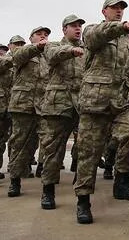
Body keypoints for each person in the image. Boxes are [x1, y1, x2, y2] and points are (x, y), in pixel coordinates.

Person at [73, 0, 129, 224]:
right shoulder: (92, 30)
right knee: (89, 153)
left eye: (121, 8)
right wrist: (121, 27)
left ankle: (122, 178)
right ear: (104, 11)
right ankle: (83, 200)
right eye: (114, 8)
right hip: (95, 102)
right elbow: (94, 38)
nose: (119, 11)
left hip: (122, 102)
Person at [39, 14, 86, 210]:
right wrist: (71, 51)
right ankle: (48, 190)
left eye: (79, 26)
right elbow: (52, 56)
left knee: (86, 147)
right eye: (73, 26)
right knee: (54, 149)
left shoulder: (87, 49)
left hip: (82, 103)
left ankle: (82, 189)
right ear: (64, 29)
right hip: (58, 104)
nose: (78, 29)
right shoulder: (53, 46)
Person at [7, 26, 50, 197]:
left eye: (45, 34)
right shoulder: (22, 52)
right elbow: (17, 56)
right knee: (19, 143)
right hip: (23, 105)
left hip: (43, 106)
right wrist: (36, 47)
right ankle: (15, 181)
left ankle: (47, 183)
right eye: (39, 34)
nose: (43, 36)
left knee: (44, 142)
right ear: (31, 38)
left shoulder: (47, 56)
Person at [0, 36, 26, 188]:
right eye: (16, 44)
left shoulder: (23, 61)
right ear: (10, 46)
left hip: (17, 105)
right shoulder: (0, 60)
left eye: (22, 44)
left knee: (16, 141)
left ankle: (15, 172)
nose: (19, 46)